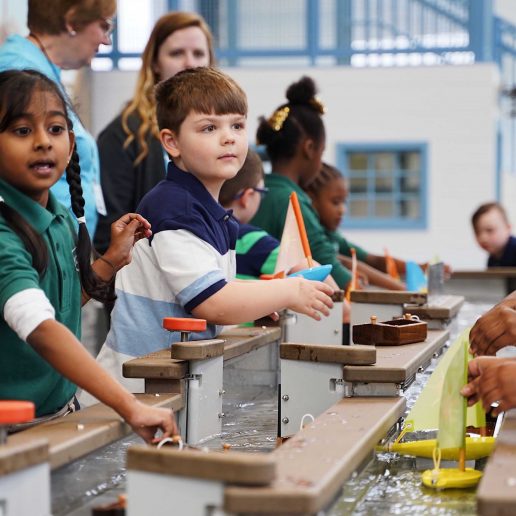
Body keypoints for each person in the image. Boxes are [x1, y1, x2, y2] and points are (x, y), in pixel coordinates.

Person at [86, 68, 334, 398]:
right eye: (209, 128)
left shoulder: (215, 217)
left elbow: (216, 292)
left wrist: (257, 300)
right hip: (132, 393)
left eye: (237, 125)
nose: (228, 137)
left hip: (165, 388)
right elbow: (211, 302)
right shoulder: (175, 208)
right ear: (172, 142)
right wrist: (289, 291)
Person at [0, 69, 177, 440]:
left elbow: (59, 307)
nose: (43, 142)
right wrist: (128, 405)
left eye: (55, 128)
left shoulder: (59, 217)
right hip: (11, 432)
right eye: (21, 130)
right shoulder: (4, 232)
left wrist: (111, 260)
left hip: (59, 415)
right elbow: (41, 328)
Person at [94, 11, 215, 254]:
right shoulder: (122, 136)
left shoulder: (218, 134)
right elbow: (109, 235)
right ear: (155, 63)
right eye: (176, 53)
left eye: (198, 53)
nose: (190, 63)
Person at [0, 0, 116, 236]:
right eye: (104, 27)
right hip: (37, 247)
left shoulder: (39, 69)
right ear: (73, 21)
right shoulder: (19, 72)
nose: (107, 40)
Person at [250, 76, 355, 290]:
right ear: (309, 149)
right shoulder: (292, 200)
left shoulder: (256, 192)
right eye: (321, 151)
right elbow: (328, 266)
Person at [305, 163, 408, 291]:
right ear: (311, 199)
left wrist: (419, 268)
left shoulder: (331, 235)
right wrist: (406, 291)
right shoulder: (314, 239)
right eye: (336, 202)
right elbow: (346, 269)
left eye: (344, 202)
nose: (343, 210)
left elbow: (370, 260)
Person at [219, 149, 279, 280]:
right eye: (262, 192)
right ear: (248, 196)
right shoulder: (254, 241)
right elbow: (307, 270)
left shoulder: (200, 230)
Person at [471, 202, 516, 267]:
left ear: (507, 228)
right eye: (477, 232)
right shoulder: (492, 259)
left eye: (490, 230)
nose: (483, 238)